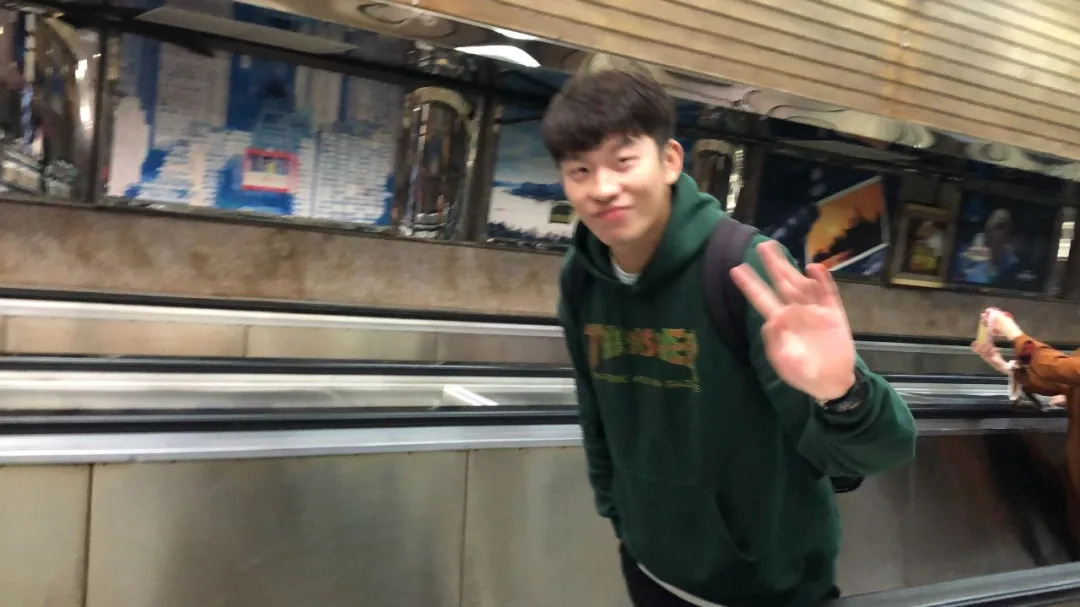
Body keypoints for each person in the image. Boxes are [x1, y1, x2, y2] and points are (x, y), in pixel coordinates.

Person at [542, 57, 917, 607]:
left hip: (766, 591)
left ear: (670, 160)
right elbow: (595, 414)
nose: (603, 188)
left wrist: (843, 392)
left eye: (623, 161)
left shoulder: (743, 267)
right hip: (651, 571)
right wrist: (619, 514)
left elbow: (884, 450)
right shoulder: (581, 278)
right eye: (580, 170)